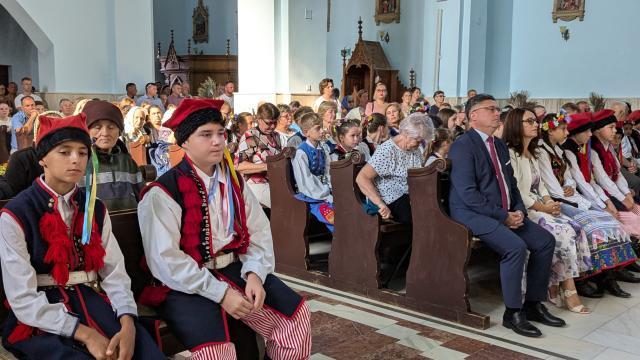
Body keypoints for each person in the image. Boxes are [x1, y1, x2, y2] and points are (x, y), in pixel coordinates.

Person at [137, 98, 311, 359]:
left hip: (235, 269)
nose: (217, 141)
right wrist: (221, 294)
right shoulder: (163, 192)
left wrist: (254, 273)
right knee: (217, 353)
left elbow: (258, 231)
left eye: (221, 133)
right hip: (186, 284)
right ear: (184, 142)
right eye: (206, 135)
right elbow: (166, 260)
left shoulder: (233, 181)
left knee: (296, 319)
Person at [0, 113, 163, 359]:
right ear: (43, 158)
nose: (76, 160)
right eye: (64, 152)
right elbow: (22, 298)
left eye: (82, 152)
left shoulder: (94, 207)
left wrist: (128, 321)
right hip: (41, 315)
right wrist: (86, 334)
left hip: (93, 300)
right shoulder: (16, 214)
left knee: (141, 351)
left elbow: (114, 272)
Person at [448, 94, 563, 337]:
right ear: (473, 116)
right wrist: (504, 216)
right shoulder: (462, 145)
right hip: (472, 213)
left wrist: (519, 209)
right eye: (490, 109)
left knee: (545, 242)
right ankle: (513, 313)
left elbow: (511, 184)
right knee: (515, 247)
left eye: (497, 108)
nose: (497, 112)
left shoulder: (498, 144)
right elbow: (468, 195)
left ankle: (533, 304)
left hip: (503, 211)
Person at [539, 113, 637, 299]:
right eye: (563, 129)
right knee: (593, 227)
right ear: (550, 131)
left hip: (572, 196)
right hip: (558, 200)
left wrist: (569, 186)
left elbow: (570, 179)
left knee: (608, 220)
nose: (566, 132)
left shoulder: (561, 151)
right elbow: (552, 187)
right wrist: (583, 202)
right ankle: (584, 278)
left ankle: (608, 276)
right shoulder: (543, 152)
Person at [504, 108, 591, 314]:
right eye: (530, 121)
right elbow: (515, 190)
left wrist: (550, 202)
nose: (536, 124)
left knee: (576, 228)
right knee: (565, 232)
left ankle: (555, 285)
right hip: (524, 208)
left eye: (535, 121)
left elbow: (541, 185)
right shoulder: (511, 153)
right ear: (517, 125)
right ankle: (569, 290)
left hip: (539, 204)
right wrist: (543, 207)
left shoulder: (531, 152)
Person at [356, 113, 433, 224]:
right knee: (418, 214)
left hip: (410, 195)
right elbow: (362, 178)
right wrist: (380, 204)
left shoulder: (415, 150)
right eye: (418, 140)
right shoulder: (387, 151)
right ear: (406, 134)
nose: (420, 143)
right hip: (391, 199)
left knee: (433, 207)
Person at [82, 100, 144, 211]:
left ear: (119, 131)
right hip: (95, 226)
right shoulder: (80, 162)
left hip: (129, 223)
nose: (105, 133)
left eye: (111, 127)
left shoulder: (127, 161)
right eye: (97, 127)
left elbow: (143, 197)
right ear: (87, 130)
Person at [292, 113, 335, 232]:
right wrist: (325, 193)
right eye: (317, 128)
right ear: (306, 133)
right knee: (334, 217)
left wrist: (331, 188)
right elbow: (305, 180)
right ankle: (342, 244)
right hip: (312, 197)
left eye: (322, 127)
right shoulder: (301, 153)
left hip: (326, 191)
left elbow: (328, 171)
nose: (322, 131)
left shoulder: (323, 148)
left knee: (347, 210)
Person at [236, 103, 282, 208]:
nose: (273, 126)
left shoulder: (276, 136)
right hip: (255, 185)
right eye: (269, 123)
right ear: (259, 119)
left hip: (275, 183)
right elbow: (239, 166)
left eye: (275, 122)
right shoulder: (251, 136)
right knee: (282, 203)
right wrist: (267, 167)